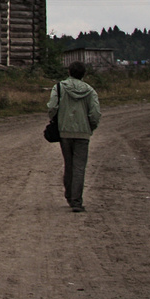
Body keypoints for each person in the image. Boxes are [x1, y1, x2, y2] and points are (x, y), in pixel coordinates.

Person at [47, 61, 101, 212]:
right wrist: (90, 126)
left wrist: (55, 121)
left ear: (69, 72)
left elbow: (52, 107)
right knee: (79, 167)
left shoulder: (59, 87)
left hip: (65, 131)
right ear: (84, 74)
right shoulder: (90, 91)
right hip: (83, 133)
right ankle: (76, 201)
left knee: (69, 164)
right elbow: (95, 113)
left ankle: (70, 196)